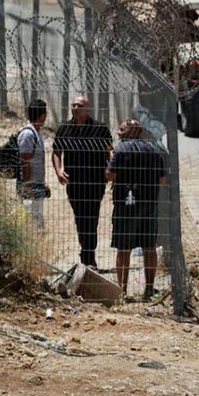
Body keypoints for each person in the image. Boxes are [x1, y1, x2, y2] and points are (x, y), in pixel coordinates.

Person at [106, 117, 168, 299]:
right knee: (149, 247)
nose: (118, 131)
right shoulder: (154, 149)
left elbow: (109, 175)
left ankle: (122, 290)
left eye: (122, 129)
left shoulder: (121, 149)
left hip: (125, 205)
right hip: (149, 204)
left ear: (131, 132)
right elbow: (162, 179)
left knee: (123, 248)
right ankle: (149, 288)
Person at [51, 96, 112, 269]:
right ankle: (86, 252)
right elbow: (56, 151)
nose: (76, 108)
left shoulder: (99, 129)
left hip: (95, 183)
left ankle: (88, 256)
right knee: (80, 218)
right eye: (74, 105)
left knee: (92, 218)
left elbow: (110, 151)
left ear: (88, 109)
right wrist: (58, 170)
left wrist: (110, 169)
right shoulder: (65, 129)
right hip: (74, 183)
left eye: (80, 105)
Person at [17, 99, 49, 229]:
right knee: (31, 219)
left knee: (37, 217)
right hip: (30, 185)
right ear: (42, 115)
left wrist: (43, 184)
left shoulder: (37, 132)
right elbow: (25, 162)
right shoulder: (28, 134)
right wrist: (27, 186)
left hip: (36, 183)